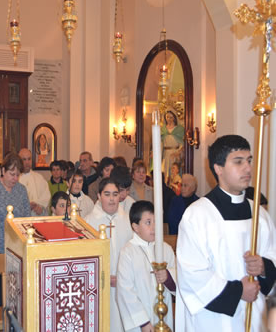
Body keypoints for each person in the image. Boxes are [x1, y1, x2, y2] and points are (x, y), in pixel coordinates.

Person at [176, 135, 276, 332]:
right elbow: (192, 274)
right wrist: (238, 291)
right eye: (238, 162)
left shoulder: (260, 215)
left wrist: (264, 268)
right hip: (213, 320)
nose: (248, 168)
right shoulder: (197, 215)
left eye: (249, 161)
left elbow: (273, 256)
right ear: (218, 168)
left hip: (255, 316)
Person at [117, 201, 176, 331]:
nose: (154, 227)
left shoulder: (165, 249)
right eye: (148, 222)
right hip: (140, 324)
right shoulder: (128, 252)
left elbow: (180, 280)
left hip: (164, 317)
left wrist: (168, 277)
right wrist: (142, 322)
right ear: (135, 227)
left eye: (156, 221)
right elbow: (125, 291)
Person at [85, 178, 133, 332]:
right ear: (99, 196)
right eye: (107, 194)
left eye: (115, 194)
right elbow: (85, 259)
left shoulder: (128, 221)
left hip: (124, 284)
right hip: (99, 286)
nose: (112, 199)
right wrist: (102, 277)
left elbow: (134, 254)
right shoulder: (88, 222)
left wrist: (123, 276)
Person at [0, 152, 31, 261]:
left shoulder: (21, 190)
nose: (15, 178)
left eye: (18, 175)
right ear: (3, 171)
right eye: (12, 174)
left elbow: (27, 219)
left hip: (18, 248)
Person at [18, 148, 51, 216]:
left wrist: (38, 205)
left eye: (29, 159)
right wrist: (27, 206)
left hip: (36, 214)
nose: (27, 162)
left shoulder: (39, 178)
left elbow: (46, 196)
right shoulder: (15, 178)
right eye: (24, 159)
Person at [161, 110, 184, 184]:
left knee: (174, 172)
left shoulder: (179, 129)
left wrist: (178, 152)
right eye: (167, 117)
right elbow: (161, 143)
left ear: (174, 118)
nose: (169, 119)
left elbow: (182, 143)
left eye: (171, 117)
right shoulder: (163, 129)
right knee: (165, 171)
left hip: (175, 154)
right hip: (166, 154)